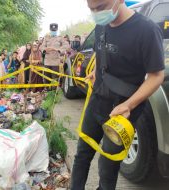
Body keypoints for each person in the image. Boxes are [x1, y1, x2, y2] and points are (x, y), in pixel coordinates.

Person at [70, 0, 165, 190]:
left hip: (123, 113)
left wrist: (129, 105)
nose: (97, 13)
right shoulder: (100, 26)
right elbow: (100, 51)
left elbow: (156, 76)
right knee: (82, 155)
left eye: (101, 7)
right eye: (92, 9)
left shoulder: (146, 30)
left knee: (108, 166)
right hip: (97, 101)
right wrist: (97, 71)